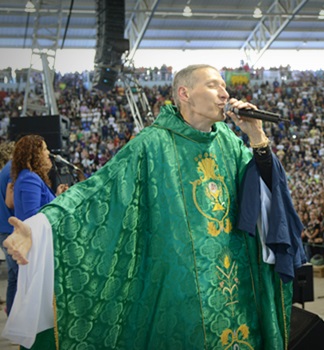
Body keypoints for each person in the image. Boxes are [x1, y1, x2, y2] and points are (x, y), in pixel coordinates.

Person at [3, 64, 305, 349]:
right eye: (213, 86)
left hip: (238, 286)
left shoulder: (229, 141)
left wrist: (256, 134)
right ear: (184, 94)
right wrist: (39, 227)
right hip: (178, 289)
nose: (225, 94)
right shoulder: (151, 144)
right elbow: (96, 192)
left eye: (224, 87)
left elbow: (266, 189)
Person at [0, 141, 16, 314]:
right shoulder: (12, 170)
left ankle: (12, 314)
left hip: (2, 227)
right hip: (9, 228)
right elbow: (10, 201)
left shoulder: (3, 171)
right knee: (19, 277)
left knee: (13, 276)